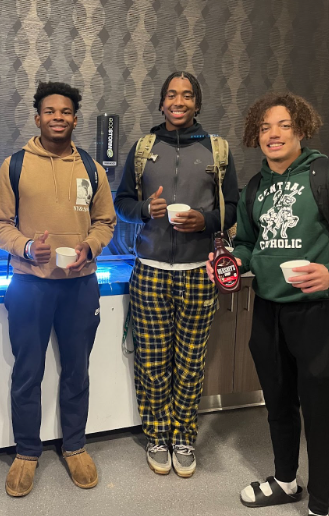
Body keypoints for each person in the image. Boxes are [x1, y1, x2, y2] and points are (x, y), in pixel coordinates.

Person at [0, 81, 116, 497]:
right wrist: (26, 247)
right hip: (29, 285)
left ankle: (75, 446)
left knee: (77, 371)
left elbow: (106, 223)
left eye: (65, 111)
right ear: (38, 116)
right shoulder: (14, 165)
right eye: (50, 111)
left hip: (80, 286)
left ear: (75, 118)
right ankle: (27, 452)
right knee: (28, 372)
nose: (58, 117)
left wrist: (89, 247)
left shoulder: (93, 169)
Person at [207, 92, 329, 516]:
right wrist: (229, 262)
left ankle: (323, 499)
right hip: (267, 309)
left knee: (319, 408)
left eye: (283, 125)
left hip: (315, 312)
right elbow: (247, 243)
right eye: (264, 127)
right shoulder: (256, 186)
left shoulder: (322, 173)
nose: (272, 134)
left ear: (301, 128)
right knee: (278, 401)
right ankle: (285, 480)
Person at [114, 71, 239, 477]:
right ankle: (156, 434)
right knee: (151, 361)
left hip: (199, 272)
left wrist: (204, 220)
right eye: (172, 95)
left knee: (190, 362)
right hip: (149, 271)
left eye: (187, 95)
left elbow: (233, 209)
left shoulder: (217, 149)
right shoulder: (143, 148)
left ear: (197, 103)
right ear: (162, 102)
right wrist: (142, 211)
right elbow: (122, 204)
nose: (179, 101)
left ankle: (184, 434)